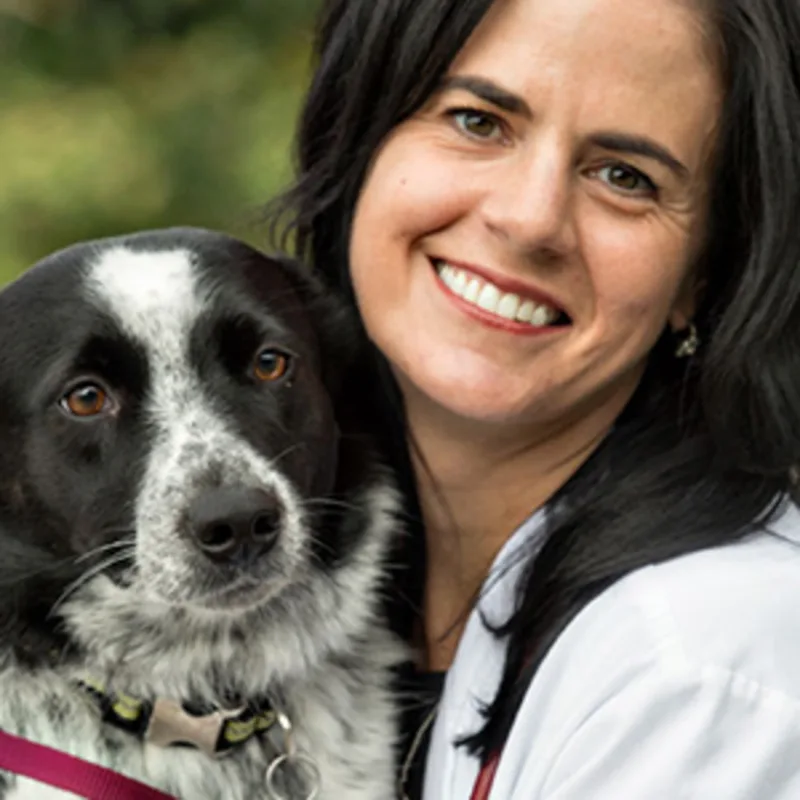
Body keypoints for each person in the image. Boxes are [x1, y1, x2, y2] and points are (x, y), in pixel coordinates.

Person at [266, 0, 800, 796]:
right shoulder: (295, 597)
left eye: (626, 177)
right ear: (360, 140)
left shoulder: (700, 668)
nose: (528, 219)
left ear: (703, 272)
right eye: (479, 121)